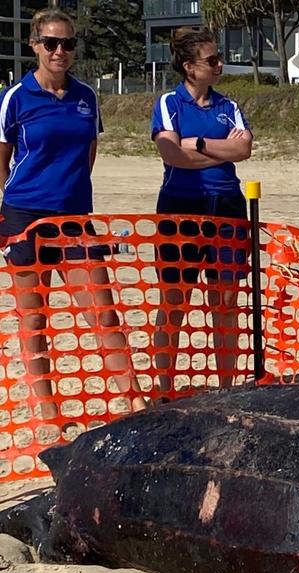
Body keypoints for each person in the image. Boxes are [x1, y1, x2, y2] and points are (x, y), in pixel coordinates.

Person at [0, 8, 147, 429]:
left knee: (104, 312)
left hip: (75, 218)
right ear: (34, 46)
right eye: (51, 43)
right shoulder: (16, 98)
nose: (59, 51)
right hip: (24, 217)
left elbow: (89, 153)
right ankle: (49, 412)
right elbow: (2, 159)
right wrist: (14, 203)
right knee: (33, 317)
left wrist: (70, 193)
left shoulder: (86, 96)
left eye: (67, 43)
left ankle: (134, 402)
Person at [150, 28, 252, 395]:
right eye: (212, 60)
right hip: (181, 206)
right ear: (190, 67)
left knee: (225, 300)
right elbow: (171, 154)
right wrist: (218, 152)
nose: (220, 64)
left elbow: (244, 152)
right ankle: (164, 388)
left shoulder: (229, 107)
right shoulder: (168, 103)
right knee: (174, 299)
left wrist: (202, 144)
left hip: (227, 206)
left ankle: (226, 389)